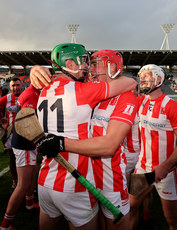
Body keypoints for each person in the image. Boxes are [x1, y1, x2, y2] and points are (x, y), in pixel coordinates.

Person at [30, 43, 137, 230]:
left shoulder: (124, 96)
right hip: (78, 180)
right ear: (70, 64)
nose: (89, 68)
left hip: (107, 179)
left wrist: (61, 143)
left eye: (95, 63)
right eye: (89, 63)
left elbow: (109, 145)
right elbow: (131, 82)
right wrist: (36, 70)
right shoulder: (85, 90)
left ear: (112, 67)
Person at [129, 64, 177, 230]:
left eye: (147, 76)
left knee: (171, 219)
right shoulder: (140, 101)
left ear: (158, 79)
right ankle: (146, 221)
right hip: (142, 167)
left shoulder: (171, 106)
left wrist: (166, 166)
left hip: (167, 172)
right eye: (141, 76)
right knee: (131, 206)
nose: (142, 79)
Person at [0, 84, 40, 230]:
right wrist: (38, 141)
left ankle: (29, 204)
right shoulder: (31, 94)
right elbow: (26, 123)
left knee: (31, 174)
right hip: (25, 142)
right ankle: (5, 225)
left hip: (25, 142)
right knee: (22, 185)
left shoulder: (31, 91)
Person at [0, 78, 23, 192]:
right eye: (13, 85)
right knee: (13, 158)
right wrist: (3, 120)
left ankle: (30, 185)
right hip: (12, 134)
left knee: (28, 160)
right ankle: (15, 182)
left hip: (26, 133)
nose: (16, 88)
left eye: (17, 85)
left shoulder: (27, 95)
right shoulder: (7, 98)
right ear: (10, 87)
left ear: (21, 85)